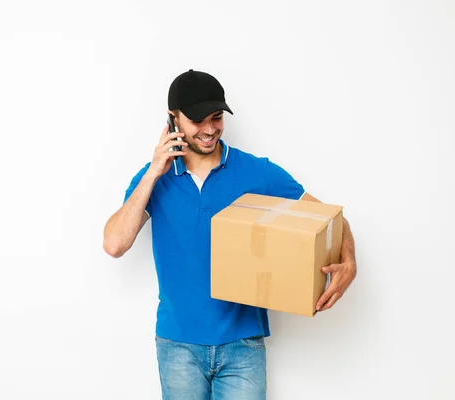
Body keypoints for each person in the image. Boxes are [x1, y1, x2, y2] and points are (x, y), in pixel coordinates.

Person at [102, 69, 357, 399]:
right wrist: (153, 172)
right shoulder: (155, 178)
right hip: (178, 344)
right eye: (197, 120)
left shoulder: (256, 172)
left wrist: (348, 261)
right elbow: (114, 243)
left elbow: (330, 218)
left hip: (242, 345)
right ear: (172, 119)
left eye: (216, 117)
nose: (209, 130)